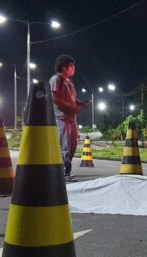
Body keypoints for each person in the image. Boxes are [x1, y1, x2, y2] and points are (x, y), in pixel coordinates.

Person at [50, 54, 90, 182]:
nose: (74, 69)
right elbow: (54, 98)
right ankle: (65, 172)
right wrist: (68, 107)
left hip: (72, 118)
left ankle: (65, 169)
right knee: (65, 146)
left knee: (72, 145)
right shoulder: (56, 79)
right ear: (64, 67)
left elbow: (72, 98)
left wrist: (81, 104)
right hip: (61, 118)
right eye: (72, 66)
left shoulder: (69, 82)